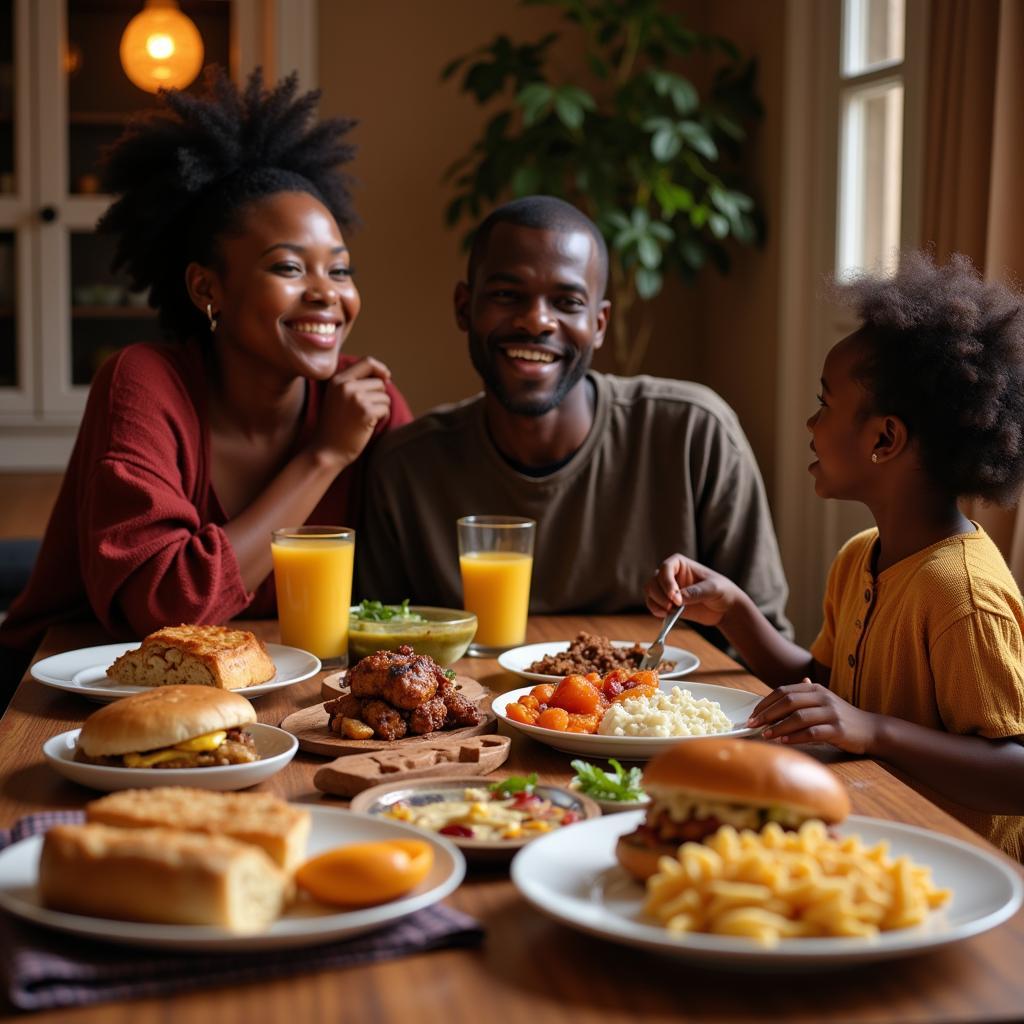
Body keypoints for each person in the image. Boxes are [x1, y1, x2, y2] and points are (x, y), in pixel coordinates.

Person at [0, 69, 411, 688]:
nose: (327, 292)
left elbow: (431, 568)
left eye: (342, 270)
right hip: (75, 690)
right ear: (206, 287)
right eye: (291, 267)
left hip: (275, 689)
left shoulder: (360, 397)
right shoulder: (145, 383)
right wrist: (324, 456)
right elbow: (168, 609)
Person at [645, 252, 1024, 860]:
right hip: (873, 837)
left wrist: (874, 730)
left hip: (958, 871)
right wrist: (736, 611)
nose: (810, 422)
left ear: (884, 439)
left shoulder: (964, 595)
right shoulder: (860, 557)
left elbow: (1014, 772)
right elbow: (826, 690)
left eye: (824, 403)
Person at [356, 196, 791, 635]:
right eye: (508, 295)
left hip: (659, 702)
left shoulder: (693, 436)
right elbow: (380, 646)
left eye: (566, 302)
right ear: (464, 307)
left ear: (599, 324)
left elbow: (760, 645)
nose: (536, 321)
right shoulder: (407, 468)